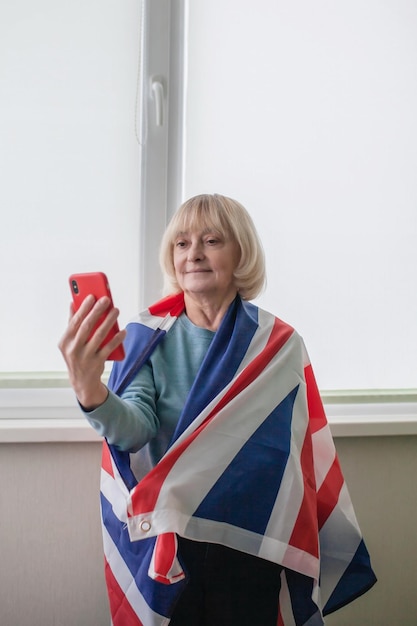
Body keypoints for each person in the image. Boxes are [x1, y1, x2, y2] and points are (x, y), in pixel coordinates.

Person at [59, 193, 376, 626]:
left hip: (249, 540)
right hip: (175, 540)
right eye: (182, 243)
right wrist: (89, 389)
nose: (194, 254)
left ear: (240, 253)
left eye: (211, 240)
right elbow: (134, 431)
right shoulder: (146, 337)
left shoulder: (278, 346)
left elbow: (289, 460)